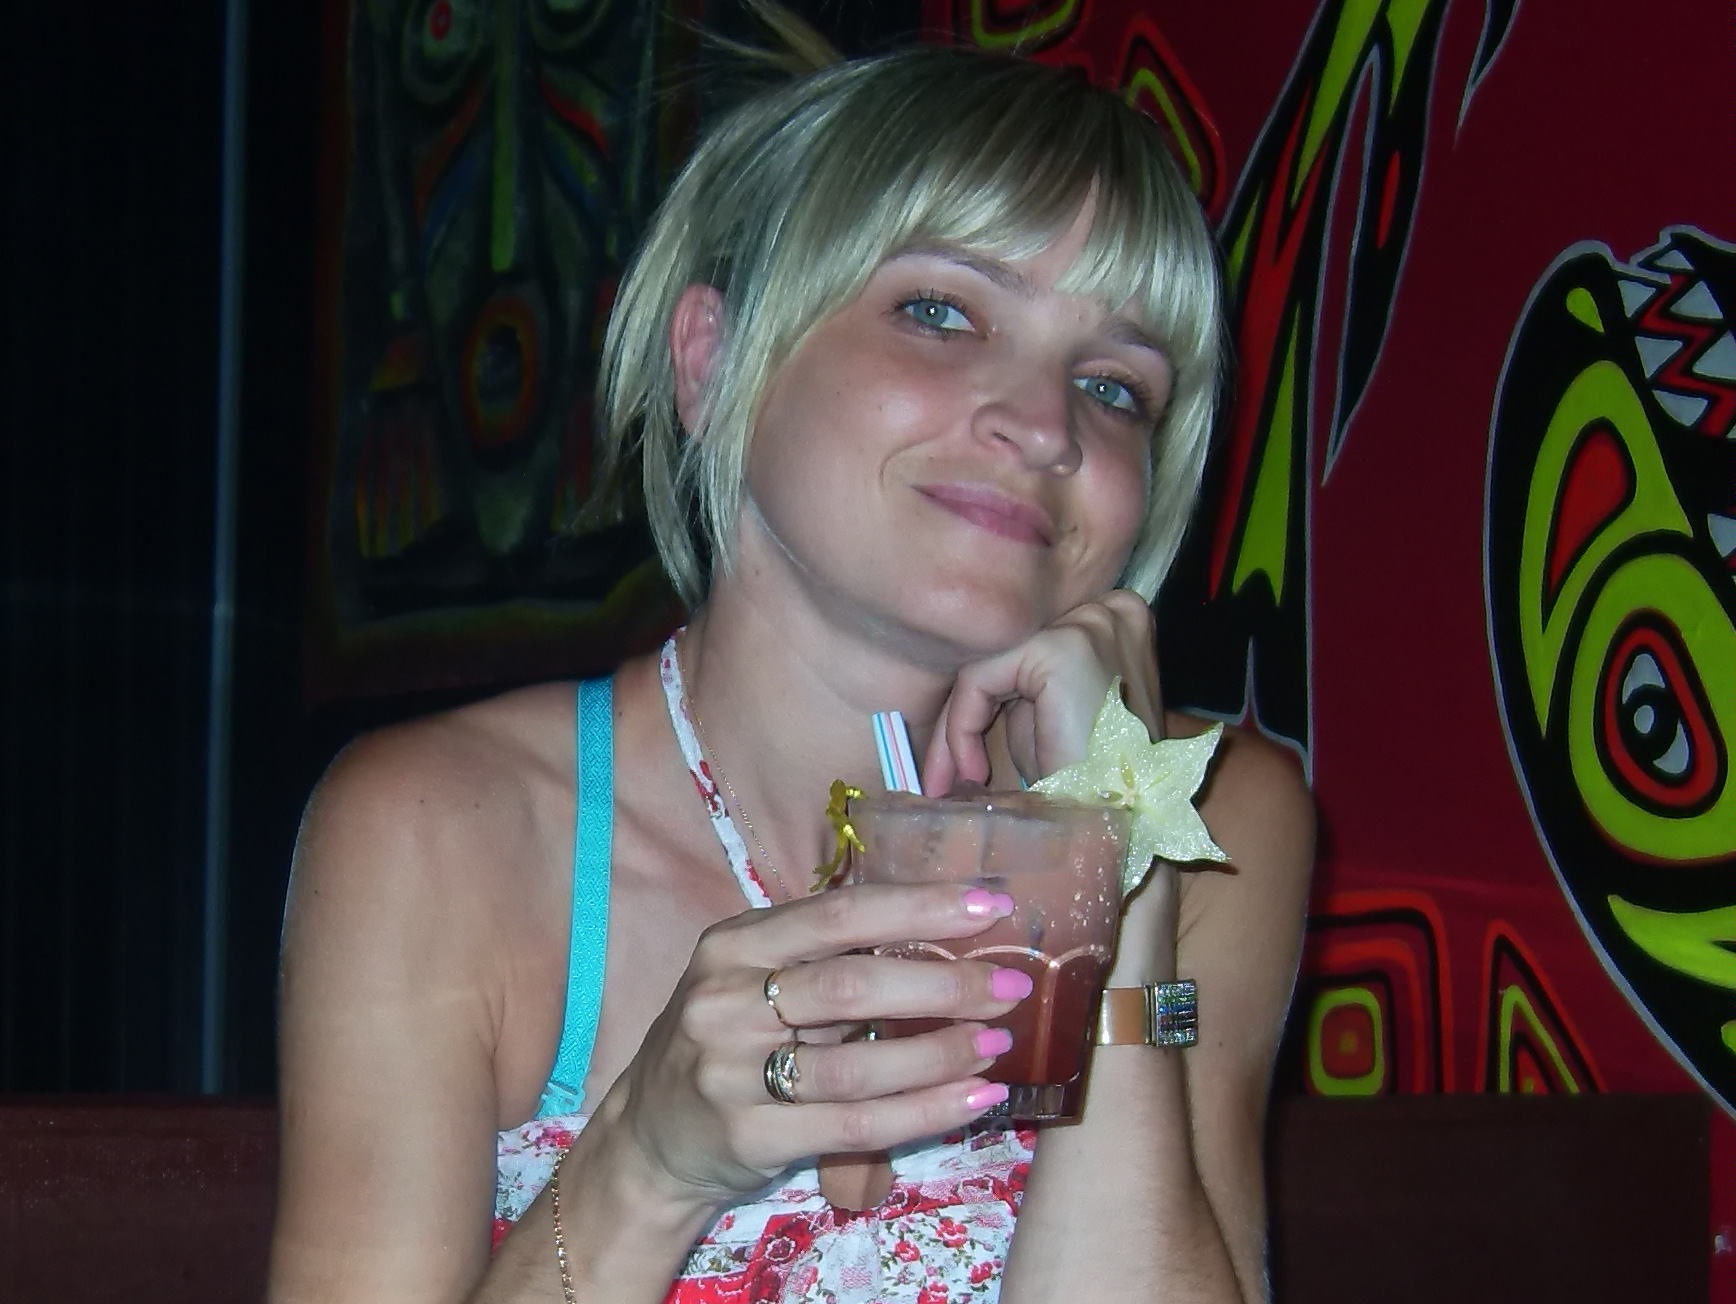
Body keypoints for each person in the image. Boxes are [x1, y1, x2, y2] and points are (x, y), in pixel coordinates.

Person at [269, 32, 1314, 1304]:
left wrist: (1120, 848)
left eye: (1113, 386)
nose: (1044, 426)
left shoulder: (1217, 821)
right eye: (940, 312)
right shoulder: (440, 830)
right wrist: (647, 1163)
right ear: (711, 362)